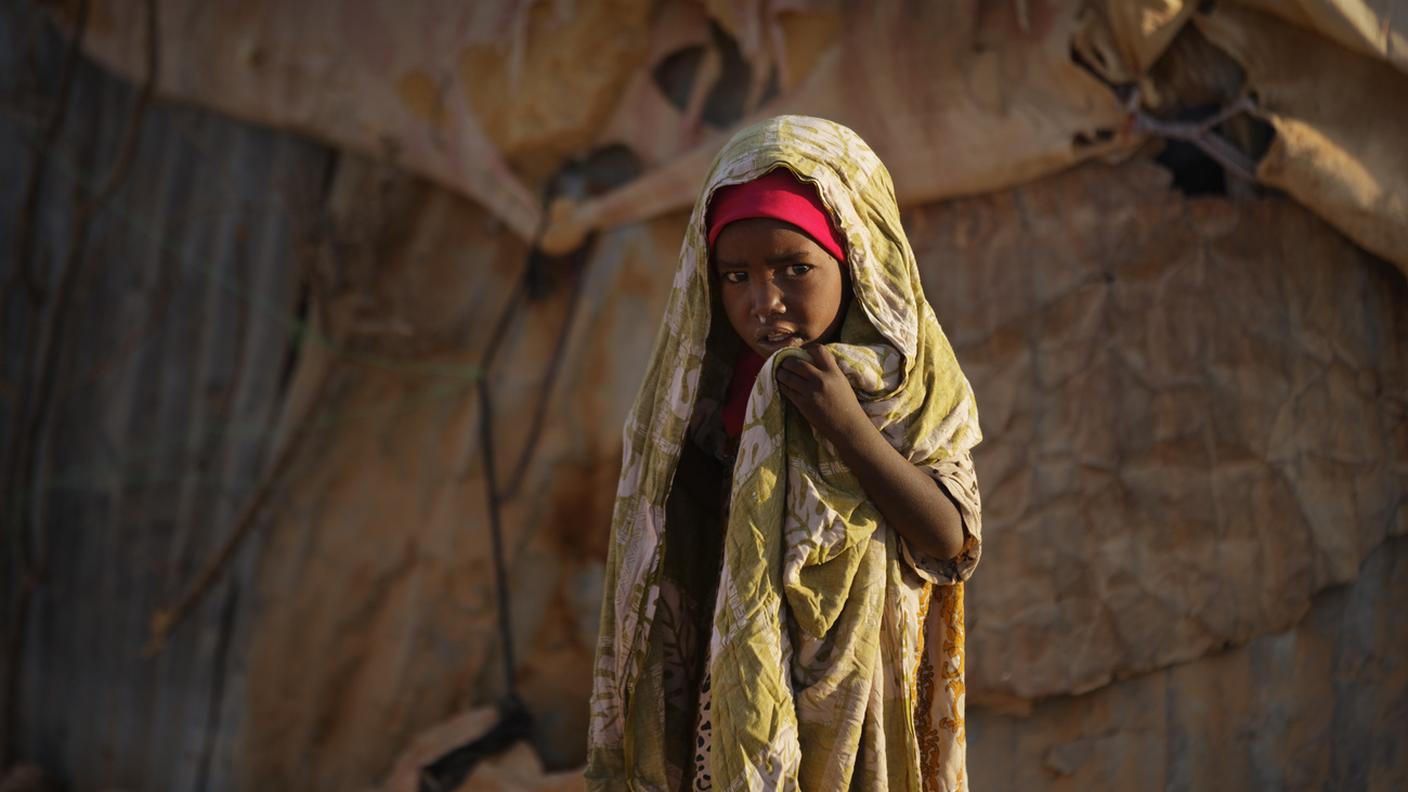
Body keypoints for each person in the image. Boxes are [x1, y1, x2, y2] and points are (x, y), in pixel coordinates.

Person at [587, 116, 983, 792]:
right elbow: (676, 555)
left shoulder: (905, 384)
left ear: (854, 253)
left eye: (794, 269)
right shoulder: (697, 397)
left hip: (864, 696)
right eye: (735, 276)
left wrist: (849, 430)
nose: (762, 302)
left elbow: (950, 539)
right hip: (738, 688)